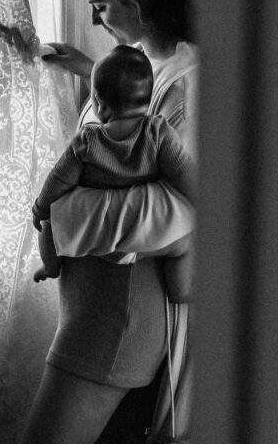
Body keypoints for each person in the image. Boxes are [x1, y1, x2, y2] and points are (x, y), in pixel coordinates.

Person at [16, 0, 199, 444]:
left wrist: (58, 217)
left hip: (118, 314)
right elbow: (132, 141)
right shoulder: (146, 64)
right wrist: (86, 69)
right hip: (100, 306)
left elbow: (177, 206)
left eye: (101, 5)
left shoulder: (188, 84)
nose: (95, 18)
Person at [30, 45, 194, 289]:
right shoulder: (159, 132)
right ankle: (180, 287)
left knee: (49, 225)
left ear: (98, 102)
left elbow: (59, 179)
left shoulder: (88, 139)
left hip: (94, 228)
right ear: (149, 99)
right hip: (140, 230)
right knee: (185, 239)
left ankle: (51, 266)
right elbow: (182, 172)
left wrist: (40, 208)